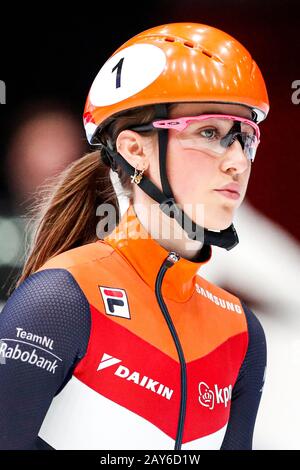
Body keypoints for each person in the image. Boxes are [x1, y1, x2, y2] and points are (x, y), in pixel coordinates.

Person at [0, 22, 269, 450]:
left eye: (246, 137)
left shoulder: (240, 333)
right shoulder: (61, 301)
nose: (237, 161)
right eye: (210, 132)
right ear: (133, 149)